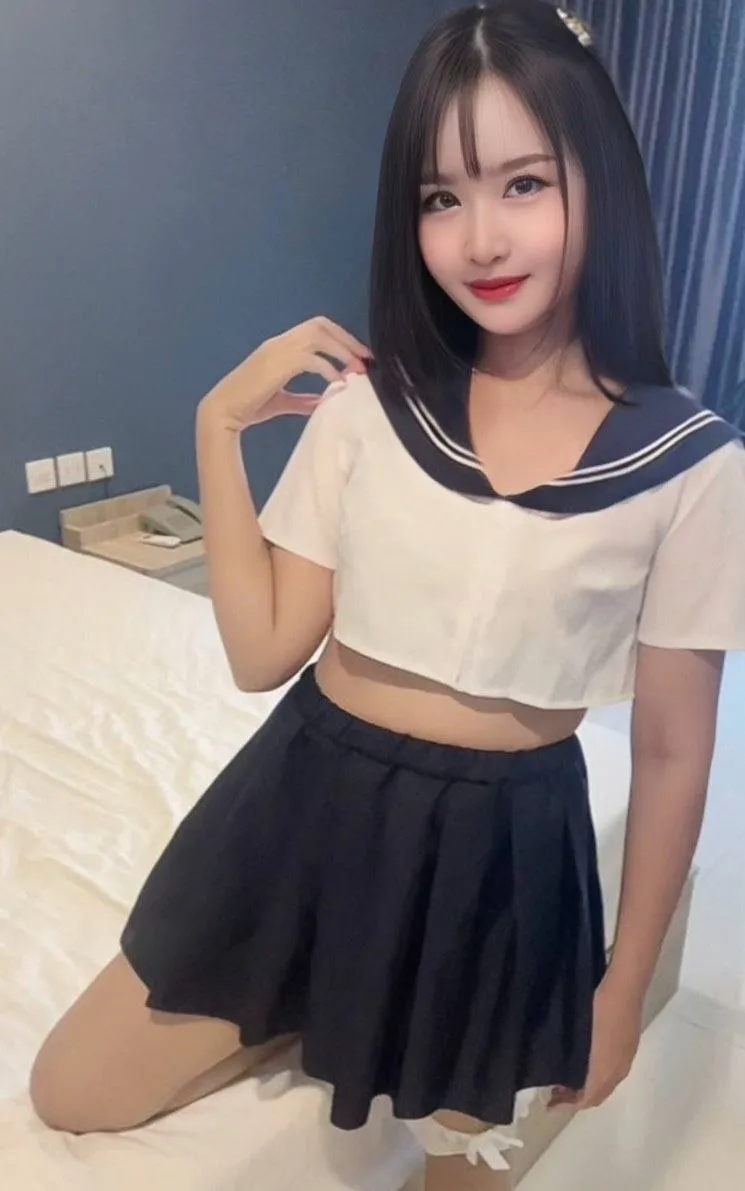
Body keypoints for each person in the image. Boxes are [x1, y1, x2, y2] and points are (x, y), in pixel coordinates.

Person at [30, 3, 745, 1188]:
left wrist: (621, 986)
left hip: (498, 850)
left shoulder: (690, 466)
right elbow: (262, 655)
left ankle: (362, 1008)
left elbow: (673, 754)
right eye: (440, 197)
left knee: (461, 1170)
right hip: (304, 801)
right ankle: (319, 994)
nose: (480, 239)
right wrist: (217, 425)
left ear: (602, 186)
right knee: (74, 1090)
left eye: (524, 183)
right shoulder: (372, 409)